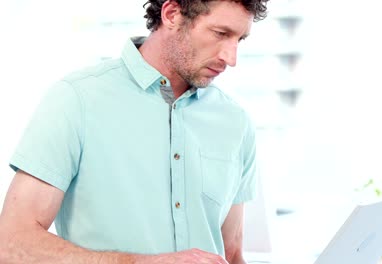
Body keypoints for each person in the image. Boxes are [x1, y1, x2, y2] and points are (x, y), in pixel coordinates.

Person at [0, 0, 269, 263]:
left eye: (239, 39)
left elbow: (231, 253)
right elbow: (12, 243)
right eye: (220, 33)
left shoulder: (236, 121)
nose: (230, 58)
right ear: (172, 14)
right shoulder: (77, 99)